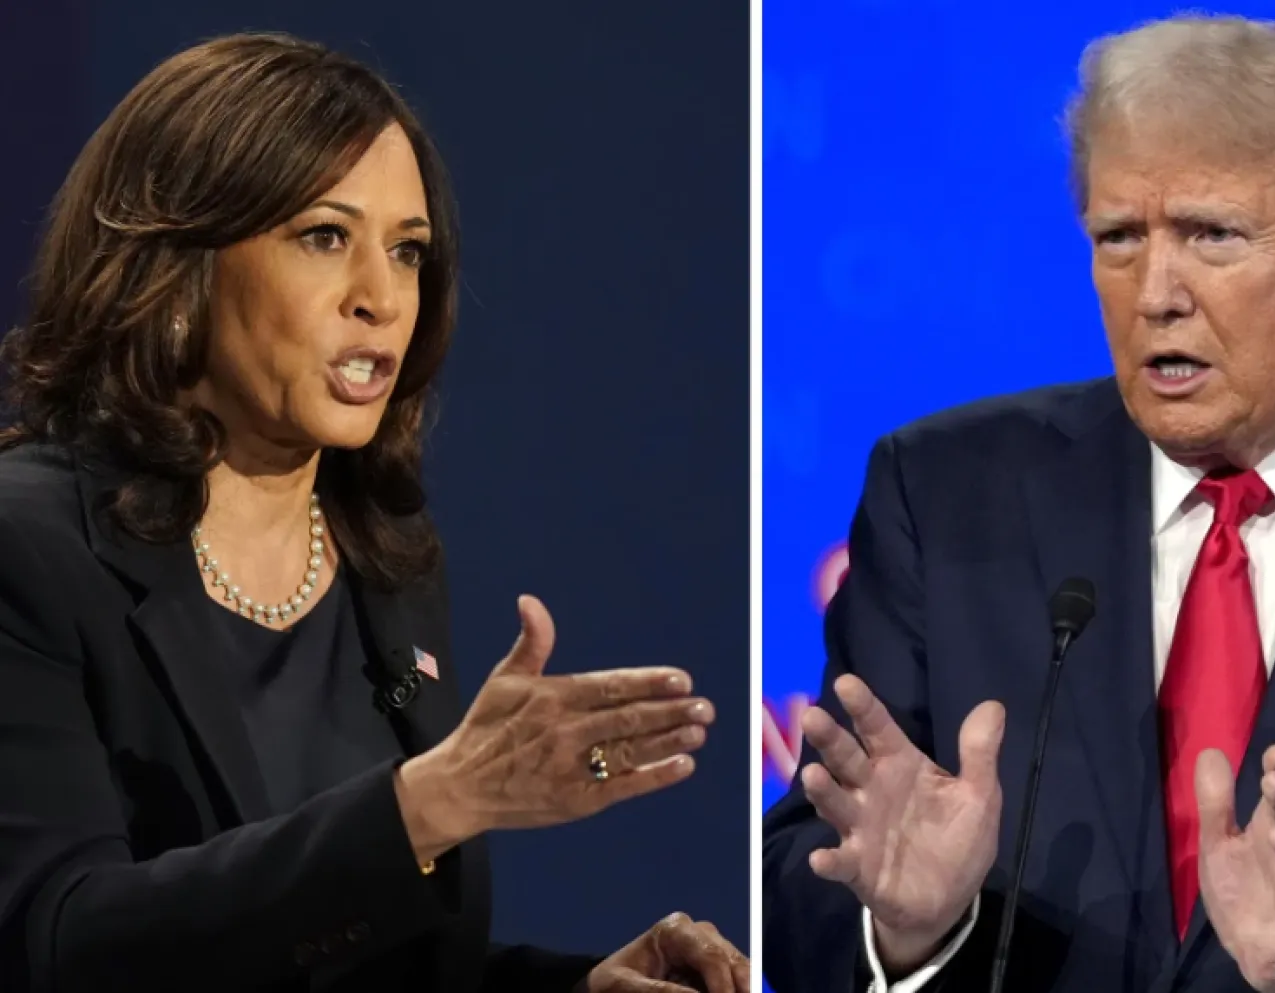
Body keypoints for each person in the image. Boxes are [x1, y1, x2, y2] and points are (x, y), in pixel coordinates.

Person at [764, 13, 1275, 993]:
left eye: (1213, 235)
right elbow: (806, 865)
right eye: (1119, 237)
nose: (1155, 293)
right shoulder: (944, 494)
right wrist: (907, 929)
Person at [0, 33, 748, 993]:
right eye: (325, 237)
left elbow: (367, 957)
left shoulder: (382, 559)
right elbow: (60, 944)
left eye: (407, 251)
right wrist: (429, 803)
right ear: (179, 266)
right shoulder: (31, 549)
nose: (382, 298)